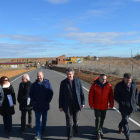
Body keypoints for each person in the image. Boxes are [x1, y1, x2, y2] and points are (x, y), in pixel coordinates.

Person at [59, 67, 85, 140]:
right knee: (69, 122)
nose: (69, 76)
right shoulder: (63, 83)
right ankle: (70, 136)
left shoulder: (78, 81)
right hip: (67, 105)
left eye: (70, 74)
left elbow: (81, 93)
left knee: (76, 121)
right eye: (67, 74)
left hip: (76, 104)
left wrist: (82, 102)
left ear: (73, 74)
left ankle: (75, 127)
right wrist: (60, 106)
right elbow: (61, 95)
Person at [88, 74, 114, 140]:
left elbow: (111, 96)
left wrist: (111, 104)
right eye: (102, 79)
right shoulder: (94, 85)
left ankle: (100, 129)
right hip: (97, 105)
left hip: (105, 106)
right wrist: (91, 105)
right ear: (99, 79)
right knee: (98, 119)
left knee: (102, 119)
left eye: (105, 79)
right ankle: (98, 133)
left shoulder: (108, 85)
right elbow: (90, 95)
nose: (104, 80)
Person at [29, 71, 53, 140]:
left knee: (44, 118)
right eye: (37, 76)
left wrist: (48, 101)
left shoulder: (47, 83)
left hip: (45, 105)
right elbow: (31, 93)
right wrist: (33, 101)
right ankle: (38, 134)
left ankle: (43, 129)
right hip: (37, 105)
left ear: (43, 75)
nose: (39, 77)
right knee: (37, 120)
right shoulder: (34, 85)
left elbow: (51, 92)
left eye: (40, 76)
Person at [114, 73, 138, 140]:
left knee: (125, 120)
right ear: (123, 78)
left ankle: (120, 126)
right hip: (123, 106)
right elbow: (116, 96)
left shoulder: (134, 84)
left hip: (131, 106)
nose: (128, 81)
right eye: (127, 80)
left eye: (129, 80)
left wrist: (135, 101)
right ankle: (128, 136)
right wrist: (121, 102)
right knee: (126, 121)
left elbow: (136, 94)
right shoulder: (119, 85)